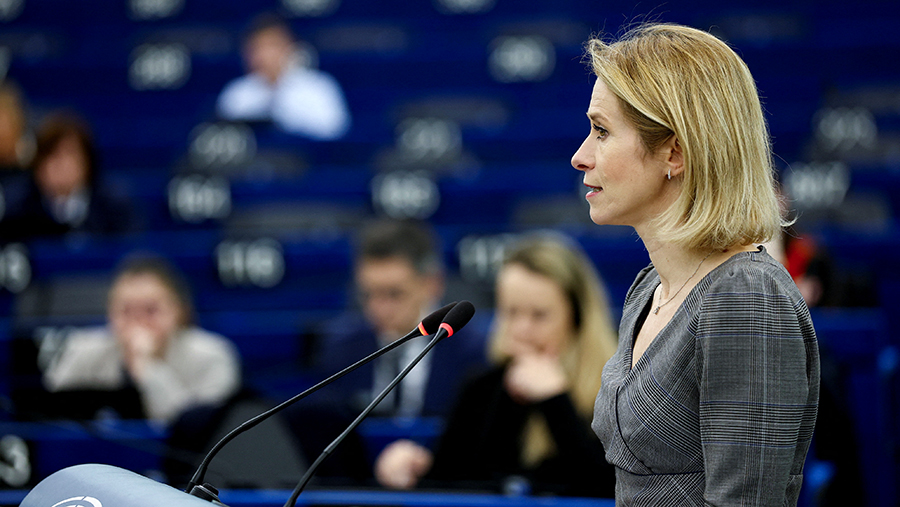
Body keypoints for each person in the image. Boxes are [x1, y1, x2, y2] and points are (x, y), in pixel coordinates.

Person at [571, 24, 820, 505]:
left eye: (602, 131)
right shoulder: (648, 287)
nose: (581, 156)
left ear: (675, 152)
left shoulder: (747, 297)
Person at [374, 235, 618, 497]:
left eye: (539, 315)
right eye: (511, 312)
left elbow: (607, 489)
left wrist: (555, 401)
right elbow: (450, 488)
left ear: (577, 318)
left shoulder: (614, 390)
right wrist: (416, 468)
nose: (522, 329)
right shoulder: (482, 387)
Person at [314, 219, 487, 420]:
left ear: (432, 283)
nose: (379, 309)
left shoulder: (472, 354)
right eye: (368, 294)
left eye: (394, 294)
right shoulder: (342, 351)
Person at [43, 255, 241, 425]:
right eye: (126, 311)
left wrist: (148, 367)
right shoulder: (83, 350)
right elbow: (51, 414)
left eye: (151, 310)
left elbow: (195, 429)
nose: (137, 322)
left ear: (177, 312)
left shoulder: (213, 355)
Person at [0, 111, 137, 242]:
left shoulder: (115, 208)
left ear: (87, 162)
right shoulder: (17, 211)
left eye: (69, 155)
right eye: (52, 156)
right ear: (37, 165)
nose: (60, 164)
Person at [216, 12, 350, 140]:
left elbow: (335, 132)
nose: (263, 55)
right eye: (256, 48)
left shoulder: (319, 87)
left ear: (289, 47)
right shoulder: (236, 92)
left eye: (270, 46)